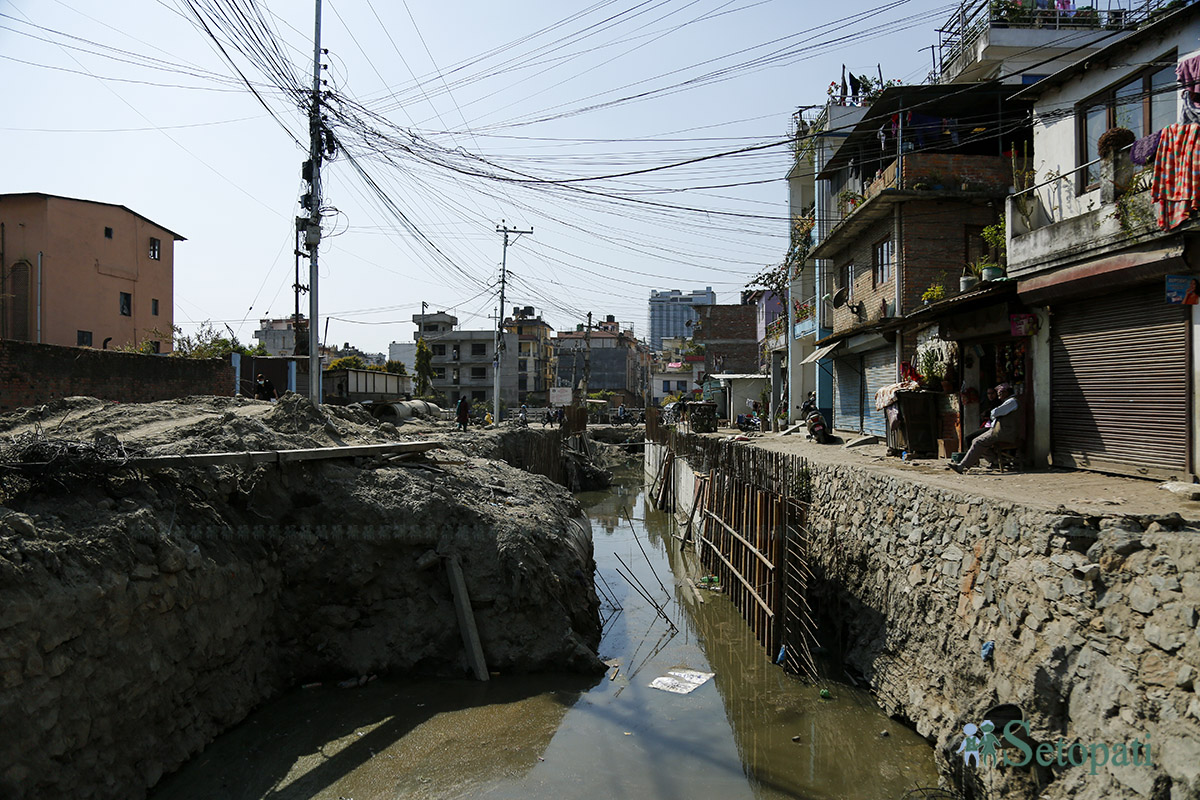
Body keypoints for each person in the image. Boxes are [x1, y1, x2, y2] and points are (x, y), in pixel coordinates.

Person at [952, 384, 1018, 473]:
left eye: (1000, 393)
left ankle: (962, 466)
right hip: (998, 430)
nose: (999, 396)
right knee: (976, 440)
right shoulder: (1007, 402)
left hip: (1004, 431)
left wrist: (994, 413)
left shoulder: (1012, 402)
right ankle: (994, 461)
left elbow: (995, 412)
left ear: (1007, 392)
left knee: (978, 442)